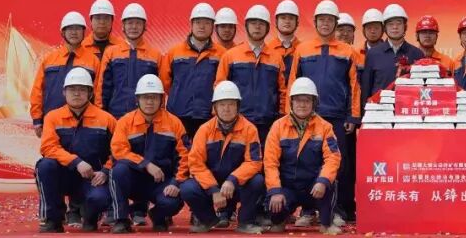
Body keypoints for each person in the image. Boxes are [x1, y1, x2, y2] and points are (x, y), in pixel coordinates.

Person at [288, 0, 362, 225]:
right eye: (322, 20)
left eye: (330, 20)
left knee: (339, 164)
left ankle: (336, 210)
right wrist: (289, 114)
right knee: (307, 162)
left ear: (335, 23)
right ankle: (308, 210)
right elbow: (292, 82)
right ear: (315, 22)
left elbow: (354, 86)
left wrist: (352, 116)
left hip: (337, 117)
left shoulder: (347, 51)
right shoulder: (302, 49)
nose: (325, 24)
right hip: (307, 117)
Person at [35, 68, 116, 233]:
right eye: (72, 89)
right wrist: (76, 162)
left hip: (93, 177)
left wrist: (105, 171)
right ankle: (53, 218)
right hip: (63, 175)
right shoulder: (52, 117)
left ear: (90, 93)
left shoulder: (106, 119)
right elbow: (48, 147)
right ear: (64, 92)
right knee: (45, 166)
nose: (77, 93)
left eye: (82, 89)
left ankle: (91, 217)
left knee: (99, 199)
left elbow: (120, 150)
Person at [180, 81, 265, 234]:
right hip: (211, 184)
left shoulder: (249, 129)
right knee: (187, 188)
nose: (226, 109)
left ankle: (246, 222)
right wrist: (213, 189)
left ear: (238, 106)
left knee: (257, 181)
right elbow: (195, 164)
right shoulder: (204, 130)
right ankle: (208, 219)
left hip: (237, 184)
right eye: (222, 104)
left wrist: (233, 179)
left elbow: (254, 162)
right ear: (215, 107)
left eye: (231, 104)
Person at [108, 75, 187, 233]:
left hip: (161, 181)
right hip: (134, 180)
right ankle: (121, 219)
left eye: (154, 97)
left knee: (173, 201)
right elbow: (118, 150)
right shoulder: (125, 122)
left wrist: (175, 183)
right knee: (118, 170)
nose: (149, 102)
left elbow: (185, 157)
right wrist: (146, 164)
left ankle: (158, 216)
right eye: (145, 97)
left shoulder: (174, 123)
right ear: (137, 99)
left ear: (161, 99)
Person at [264, 78, 343, 235]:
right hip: (288, 187)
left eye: (307, 100)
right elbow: (270, 162)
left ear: (314, 103)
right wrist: (275, 190)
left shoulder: (325, 127)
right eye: (298, 100)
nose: (302, 104)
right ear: (291, 102)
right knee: (274, 206)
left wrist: (322, 181)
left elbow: (333, 158)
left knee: (330, 183)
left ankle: (326, 223)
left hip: (314, 187)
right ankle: (279, 220)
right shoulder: (278, 127)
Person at [215, 4, 287, 141]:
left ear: (267, 28)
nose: (257, 27)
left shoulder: (276, 58)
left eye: (261, 24)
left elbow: (283, 92)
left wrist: (282, 117)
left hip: (268, 124)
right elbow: (219, 88)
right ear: (246, 26)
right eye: (253, 23)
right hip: (236, 124)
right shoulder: (230, 56)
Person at [160, 3, 226, 137]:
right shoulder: (174, 52)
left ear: (213, 26)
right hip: (178, 115)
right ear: (191, 24)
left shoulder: (222, 54)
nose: (202, 26)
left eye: (206, 23)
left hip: (208, 116)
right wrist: (180, 96)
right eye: (198, 22)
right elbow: (165, 83)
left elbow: (223, 83)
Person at [31, 12, 99, 138]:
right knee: (51, 150)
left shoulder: (93, 61)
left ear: (84, 32)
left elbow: (98, 93)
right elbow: (37, 90)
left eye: (77, 28)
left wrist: (96, 119)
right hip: (52, 122)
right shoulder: (49, 59)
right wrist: (37, 119)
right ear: (63, 32)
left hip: (83, 124)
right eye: (70, 28)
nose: (74, 32)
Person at [97, 3, 162, 119]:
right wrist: (101, 114)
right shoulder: (111, 53)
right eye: (130, 23)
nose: (134, 27)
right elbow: (103, 89)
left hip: (145, 117)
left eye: (138, 23)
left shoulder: (155, 55)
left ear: (144, 26)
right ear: (123, 26)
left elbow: (161, 90)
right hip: (116, 115)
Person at [360, 4, 424, 99]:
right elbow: (366, 88)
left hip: (407, 106)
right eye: (390, 24)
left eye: (399, 23)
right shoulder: (373, 54)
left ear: (405, 26)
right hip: (379, 107)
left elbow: (422, 87)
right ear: (385, 27)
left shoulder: (417, 54)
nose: (395, 27)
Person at [269, 0, 302, 82]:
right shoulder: (267, 49)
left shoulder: (303, 50)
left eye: (291, 18)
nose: (287, 21)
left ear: (297, 23)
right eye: (283, 18)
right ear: (276, 22)